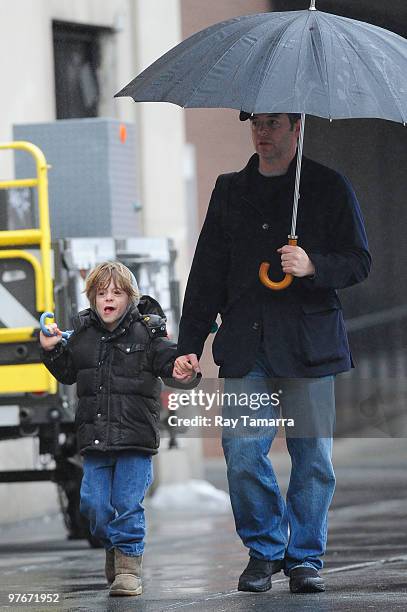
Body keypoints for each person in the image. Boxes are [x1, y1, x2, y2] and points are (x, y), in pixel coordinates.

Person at [173, 112, 371, 593]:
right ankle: (264, 550)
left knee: (313, 460)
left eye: (273, 123)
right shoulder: (229, 190)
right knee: (241, 453)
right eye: (256, 123)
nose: (263, 133)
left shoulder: (327, 186)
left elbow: (358, 260)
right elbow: (206, 273)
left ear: (296, 127)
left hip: (308, 347)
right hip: (247, 345)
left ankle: (304, 557)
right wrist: (188, 346)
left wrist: (312, 265)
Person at [40, 261, 196, 597]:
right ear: (93, 299)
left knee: (127, 503)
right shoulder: (82, 336)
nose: (108, 298)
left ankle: (128, 569)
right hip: (95, 441)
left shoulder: (147, 333)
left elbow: (171, 362)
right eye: (101, 293)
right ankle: (113, 547)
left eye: (116, 292)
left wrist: (185, 369)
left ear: (129, 298)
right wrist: (51, 350)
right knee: (94, 507)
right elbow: (68, 372)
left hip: (135, 440)